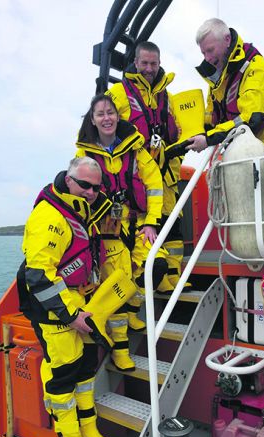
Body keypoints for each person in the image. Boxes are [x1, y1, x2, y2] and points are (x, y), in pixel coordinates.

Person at [17, 157, 136, 437]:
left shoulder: (80, 210)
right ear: (68, 180)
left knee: (85, 372)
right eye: (84, 185)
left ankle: (89, 429)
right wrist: (72, 316)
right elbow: (39, 275)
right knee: (63, 376)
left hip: (81, 304)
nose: (91, 192)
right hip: (56, 312)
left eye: (96, 187)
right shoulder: (51, 216)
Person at [75, 94, 167, 371]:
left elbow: (154, 185)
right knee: (115, 284)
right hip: (106, 227)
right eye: (100, 114)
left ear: (118, 115)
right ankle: (120, 351)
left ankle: (133, 305)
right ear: (92, 120)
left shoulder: (135, 148)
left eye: (110, 112)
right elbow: (79, 191)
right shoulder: (84, 154)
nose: (106, 118)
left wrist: (151, 222)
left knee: (156, 265)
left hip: (138, 221)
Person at [106, 41, 191, 294]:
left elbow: (181, 129)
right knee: (145, 230)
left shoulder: (169, 98)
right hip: (137, 178)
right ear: (135, 62)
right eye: (144, 63)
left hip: (168, 177)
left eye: (153, 64)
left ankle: (173, 280)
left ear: (160, 63)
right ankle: (151, 280)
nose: (149, 68)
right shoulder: (119, 94)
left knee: (173, 229)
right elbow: (102, 128)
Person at [186, 18, 264, 153]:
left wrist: (208, 139)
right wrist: (191, 132)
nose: (207, 58)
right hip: (241, 151)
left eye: (210, 50)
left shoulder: (255, 66)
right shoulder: (217, 77)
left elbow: (252, 119)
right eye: (203, 53)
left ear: (227, 40)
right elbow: (211, 117)